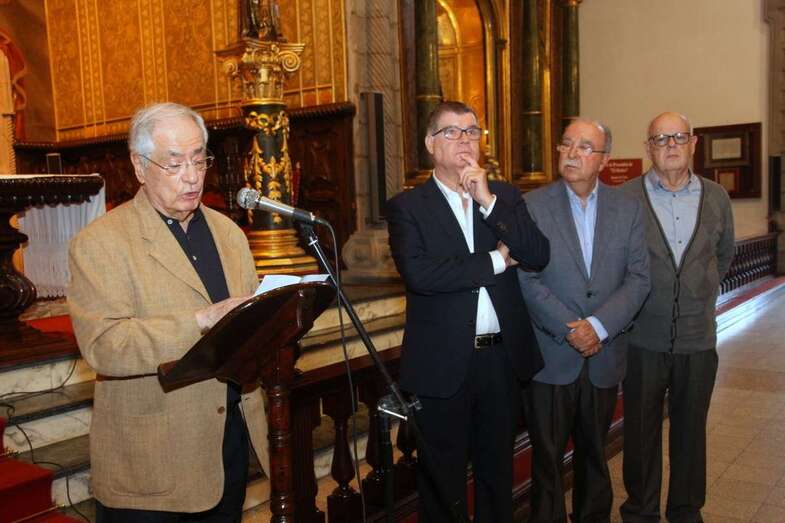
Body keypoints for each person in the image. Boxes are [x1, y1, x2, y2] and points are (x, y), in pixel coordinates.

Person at [68, 102, 269, 522]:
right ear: (140, 167)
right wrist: (199, 321)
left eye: (200, 160)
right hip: (151, 464)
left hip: (225, 442)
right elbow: (105, 346)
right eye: (175, 164)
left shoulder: (229, 234)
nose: (193, 176)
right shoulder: (101, 242)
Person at [386, 100, 550, 522]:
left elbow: (537, 255)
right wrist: (495, 261)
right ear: (430, 144)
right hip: (442, 365)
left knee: (498, 473)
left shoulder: (505, 197)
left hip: (501, 360)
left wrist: (489, 203)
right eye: (452, 132)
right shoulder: (408, 208)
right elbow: (422, 275)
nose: (465, 140)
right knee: (442, 481)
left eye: (472, 131)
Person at [518, 119, 650, 522]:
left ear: (604, 159)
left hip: (603, 358)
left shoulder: (628, 208)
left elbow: (639, 277)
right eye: (566, 144)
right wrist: (572, 328)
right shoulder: (531, 206)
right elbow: (524, 276)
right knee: (547, 462)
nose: (572, 153)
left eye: (585, 147)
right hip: (551, 355)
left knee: (596, 455)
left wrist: (600, 327)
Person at [619, 112, 735, 523]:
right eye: (660, 138)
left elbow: (723, 255)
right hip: (642, 339)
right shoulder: (626, 197)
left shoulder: (717, 197)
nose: (670, 145)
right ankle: (640, 511)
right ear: (647, 147)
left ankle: (686, 511)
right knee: (640, 433)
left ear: (693, 143)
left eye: (678, 137)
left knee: (690, 433)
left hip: (697, 339)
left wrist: (697, 292)